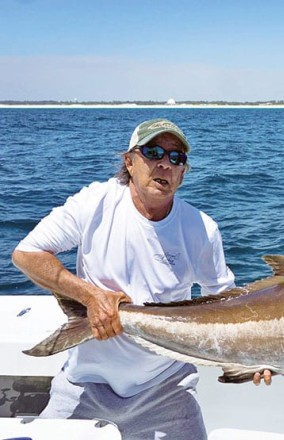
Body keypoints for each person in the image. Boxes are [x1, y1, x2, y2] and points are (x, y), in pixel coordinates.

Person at [12, 118, 236, 439]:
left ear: (184, 172)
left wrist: (259, 357)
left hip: (168, 388)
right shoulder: (95, 202)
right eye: (153, 152)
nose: (165, 164)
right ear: (129, 161)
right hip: (84, 384)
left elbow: (226, 310)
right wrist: (90, 297)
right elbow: (28, 254)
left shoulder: (202, 228)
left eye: (176, 158)